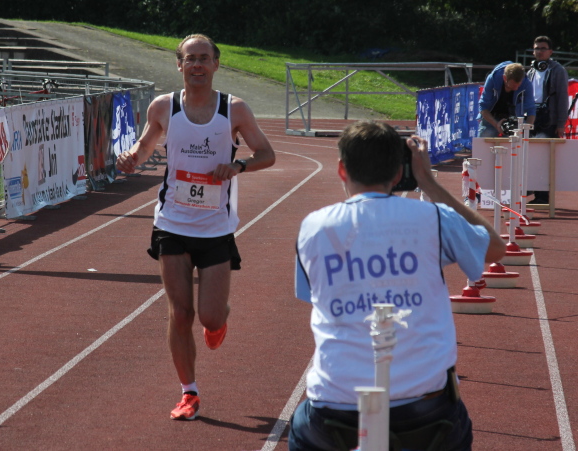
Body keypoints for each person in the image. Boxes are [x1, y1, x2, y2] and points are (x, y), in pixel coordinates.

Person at [289, 121, 506, 451]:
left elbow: (313, 297)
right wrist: (429, 182)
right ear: (399, 172)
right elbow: (495, 249)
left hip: (334, 409)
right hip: (425, 411)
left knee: (303, 426)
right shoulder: (433, 218)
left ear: (342, 170)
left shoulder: (313, 227)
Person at [116, 34, 275, 421]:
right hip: (171, 222)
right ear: (180, 65)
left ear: (216, 64)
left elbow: (267, 154)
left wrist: (238, 166)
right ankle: (189, 392)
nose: (198, 65)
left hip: (215, 227)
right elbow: (146, 145)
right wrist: (132, 157)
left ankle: (219, 318)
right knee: (180, 312)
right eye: (191, 59)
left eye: (204, 58)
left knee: (210, 317)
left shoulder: (233, 109)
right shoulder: (163, 107)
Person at [526, 35, 569, 204]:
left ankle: (543, 197)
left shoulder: (558, 70)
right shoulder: (530, 71)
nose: (539, 52)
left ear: (550, 51)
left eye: (543, 48)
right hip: (531, 119)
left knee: (542, 158)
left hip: (549, 120)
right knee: (529, 156)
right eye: (536, 48)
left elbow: (563, 98)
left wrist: (561, 124)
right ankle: (530, 189)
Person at [478, 62, 535, 137]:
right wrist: (496, 124)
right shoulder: (493, 79)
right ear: (505, 78)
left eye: (518, 85)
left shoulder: (526, 83)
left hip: (515, 118)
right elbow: (483, 107)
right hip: (492, 116)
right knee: (486, 136)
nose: (516, 88)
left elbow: (531, 109)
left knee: (518, 140)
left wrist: (526, 130)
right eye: (513, 85)